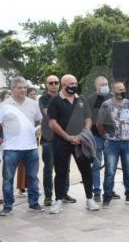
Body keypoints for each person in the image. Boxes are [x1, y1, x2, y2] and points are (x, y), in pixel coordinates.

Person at [47, 74, 98, 214]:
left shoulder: (81, 99)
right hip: (62, 142)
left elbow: (88, 119)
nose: (74, 85)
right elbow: (52, 123)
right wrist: (68, 137)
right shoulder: (55, 101)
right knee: (61, 172)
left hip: (81, 141)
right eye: (71, 83)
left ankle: (89, 199)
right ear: (63, 85)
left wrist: (84, 135)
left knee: (86, 170)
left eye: (75, 82)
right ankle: (58, 201)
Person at [0, 77, 44, 214]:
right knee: (8, 179)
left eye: (25, 87)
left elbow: (37, 120)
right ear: (12, 89)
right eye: (19, 87)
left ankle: (34, 202)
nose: (23, 90)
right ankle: (8, 205)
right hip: (11, 148)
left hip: (31, 147)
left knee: (33, 177)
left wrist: (37, 130)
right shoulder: (4, 105)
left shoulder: (33, 104)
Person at [97, 81, 129, 207]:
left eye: (123, 89)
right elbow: (100, 124)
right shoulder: (106, 105)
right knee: (110, 171)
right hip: (112, 143)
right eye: (119, 90)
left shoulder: (128, 103)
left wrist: (126, 133)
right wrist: (107, 136)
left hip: (127, 142)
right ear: (113, 91)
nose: (122, 91)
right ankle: (107, 197)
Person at [39, 75, 61, 205]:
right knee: (48, 168)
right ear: (46, 85)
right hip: (48, 138)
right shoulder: (43, 98)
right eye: (50, 83)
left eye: (56, 82)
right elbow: (48, 113)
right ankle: (48, 196)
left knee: (64, 168)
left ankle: (63, 193)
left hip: (63, 138)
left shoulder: (63, 96)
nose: (53, 85)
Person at [89, 75, 110, 203]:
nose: (104, 87)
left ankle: (109, 190)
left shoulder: (113, 97)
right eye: (102, 85)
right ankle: (96, 191)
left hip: (111, 138)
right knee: (96, 165)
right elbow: (87, 118)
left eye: (106, 84)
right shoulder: (90, 100)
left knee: (110, 165)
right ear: (96, 86)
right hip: (96, 137)